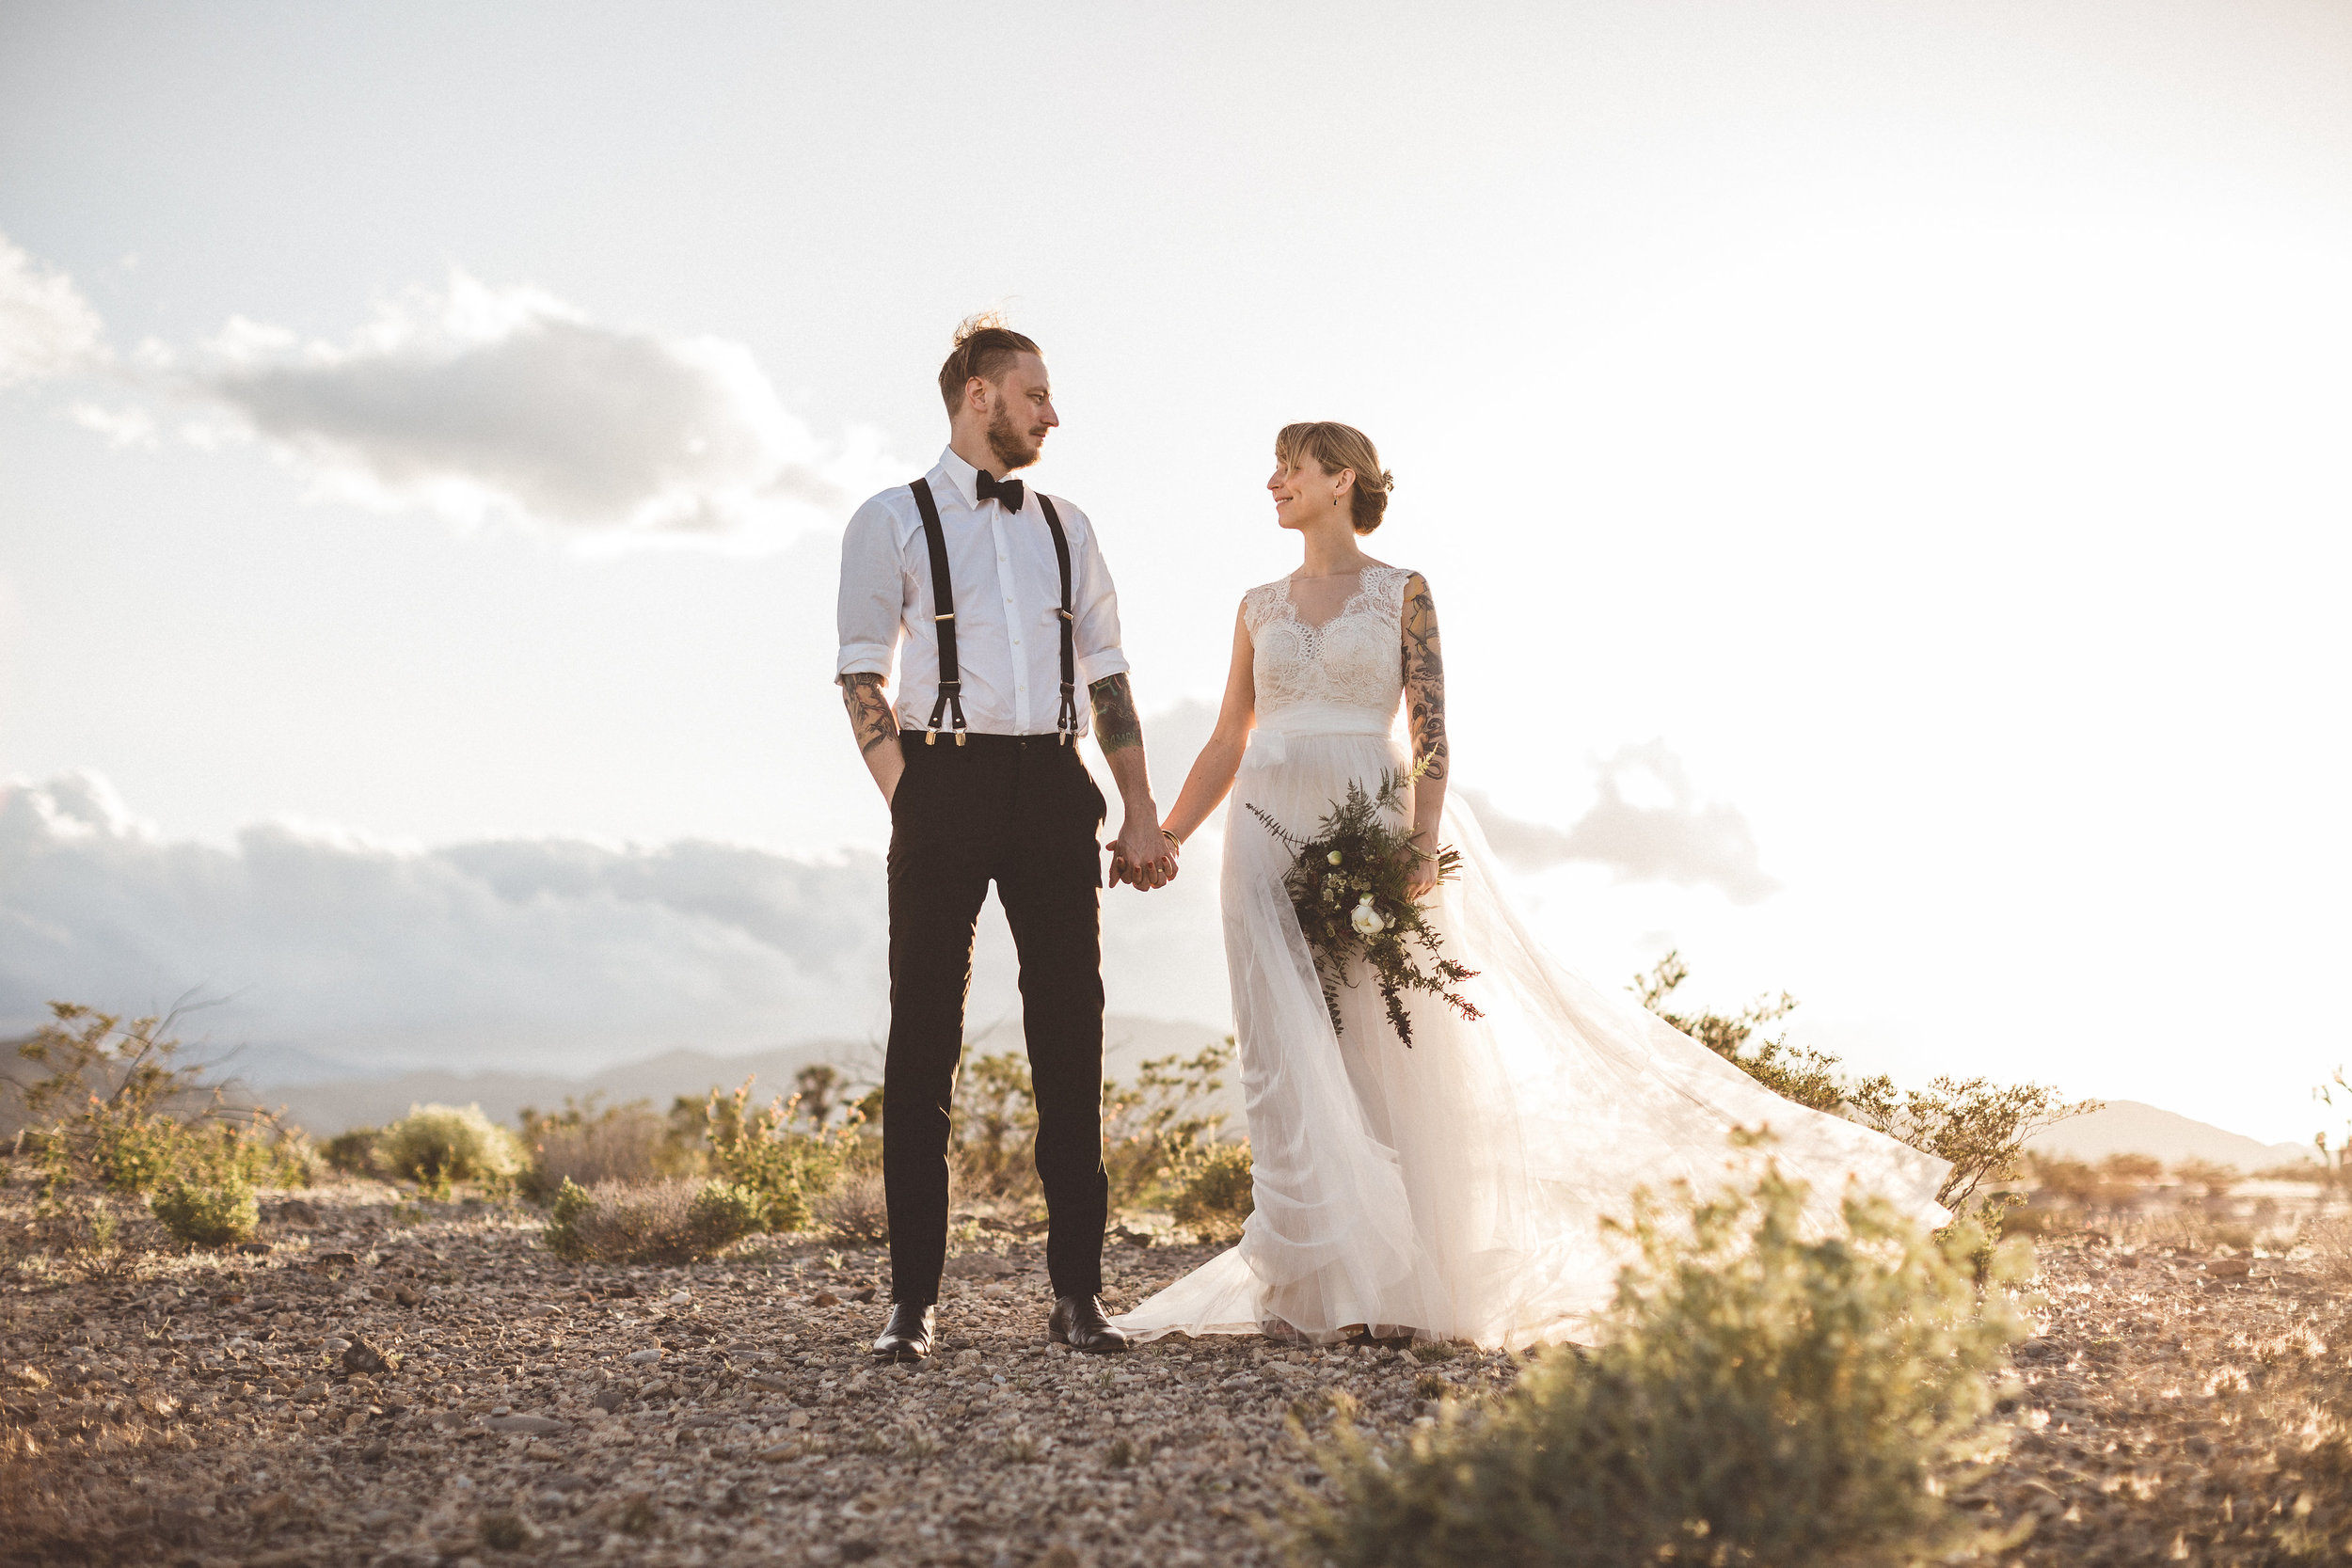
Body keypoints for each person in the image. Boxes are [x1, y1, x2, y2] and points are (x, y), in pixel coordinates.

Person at [1111, 421, 1949, 1350]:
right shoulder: (1255, 604)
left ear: (1339, 480)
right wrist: (1170, 832)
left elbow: (1429, 728)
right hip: (1263, 830)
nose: (1272, 481)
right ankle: (1307, 1283)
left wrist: (1422, 841)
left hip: (1367, 818)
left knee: (1385, 1044)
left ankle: (1397, 1283)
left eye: (1290, 467)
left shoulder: (1403, 592)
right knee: (1281, 1048)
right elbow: (1229, 734)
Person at [834, 316, 1179, 1361]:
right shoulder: (888, 518)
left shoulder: (1069, 526)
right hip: (939, 775)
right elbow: (860, 673)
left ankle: (1078, 1294)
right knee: (924, 1035)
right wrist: (911, 796)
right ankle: (911, 1303)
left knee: (1071, 1032)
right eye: (1036, 395)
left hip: (1052, 780)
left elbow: (1109, 675)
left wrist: (1140, 806)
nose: (1052, 414)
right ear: (978, 395)